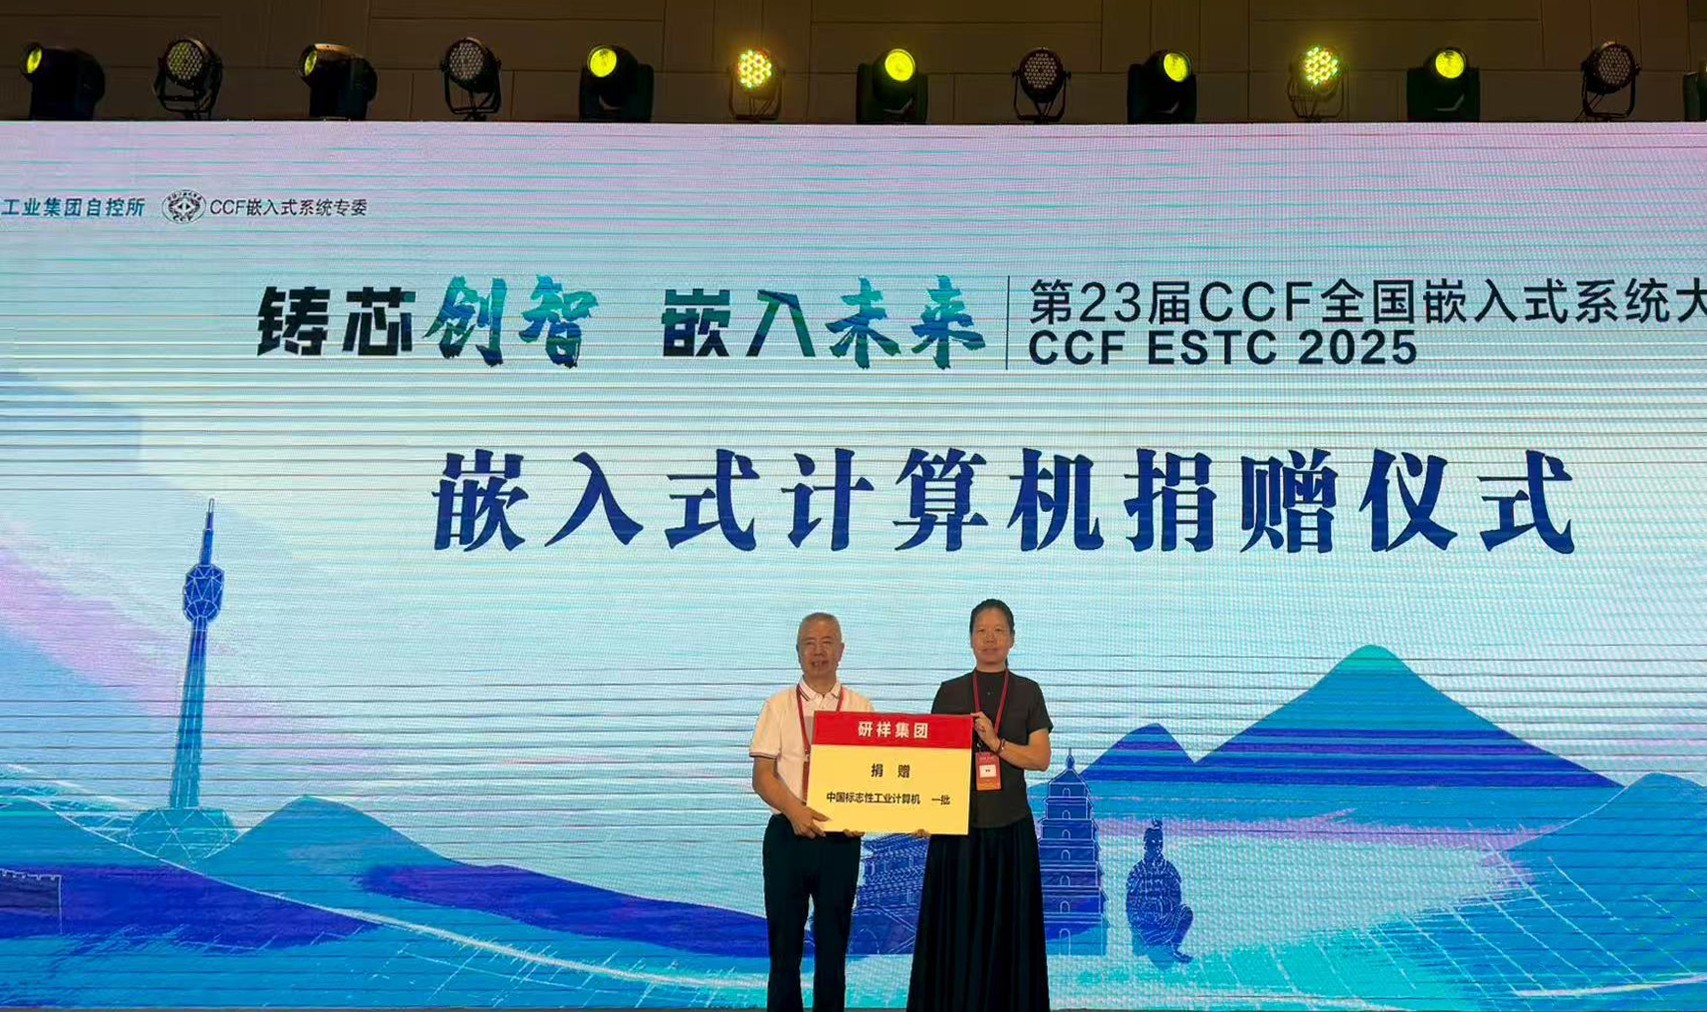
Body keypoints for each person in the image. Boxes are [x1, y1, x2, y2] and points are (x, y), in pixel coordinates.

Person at [907, 599, 1052, 1012]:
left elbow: (1041, 758)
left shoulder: (1028, 692)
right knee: (956, 933)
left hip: (1010, 829)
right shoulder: (950, 692)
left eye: (998, 631)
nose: (990, 639)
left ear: (1012, 639)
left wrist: (996, 744)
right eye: (981, 631)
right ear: (970, 639)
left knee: (1010, 936)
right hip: (957, 832)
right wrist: (925, 813)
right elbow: (931, 763)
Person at [750, 612, 875, 1012]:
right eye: (809, 643)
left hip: (840, 842)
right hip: (787, 836)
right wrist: (795, 810)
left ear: (842, 650)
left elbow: (875, 776)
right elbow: (762, 776)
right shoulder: (778, 706)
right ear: (798, 651)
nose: (818, 651)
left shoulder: (860, 706)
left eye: (827, 642)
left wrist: (863, 815)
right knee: (784, 946)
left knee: (834, 947)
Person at [1126, 819, 1194, 964]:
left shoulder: (1168, 869)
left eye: (1159, 844)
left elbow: (1177, 897)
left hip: (1164, 921)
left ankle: (1172, 947)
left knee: (1185, 912)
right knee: (1141, 945)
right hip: (1146, 924)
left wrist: (1163, 906)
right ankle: (1148, 943)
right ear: (1145, 845)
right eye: (1152, 844)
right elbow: (1130, 903)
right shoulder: (1137, 871)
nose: (1156, 848)